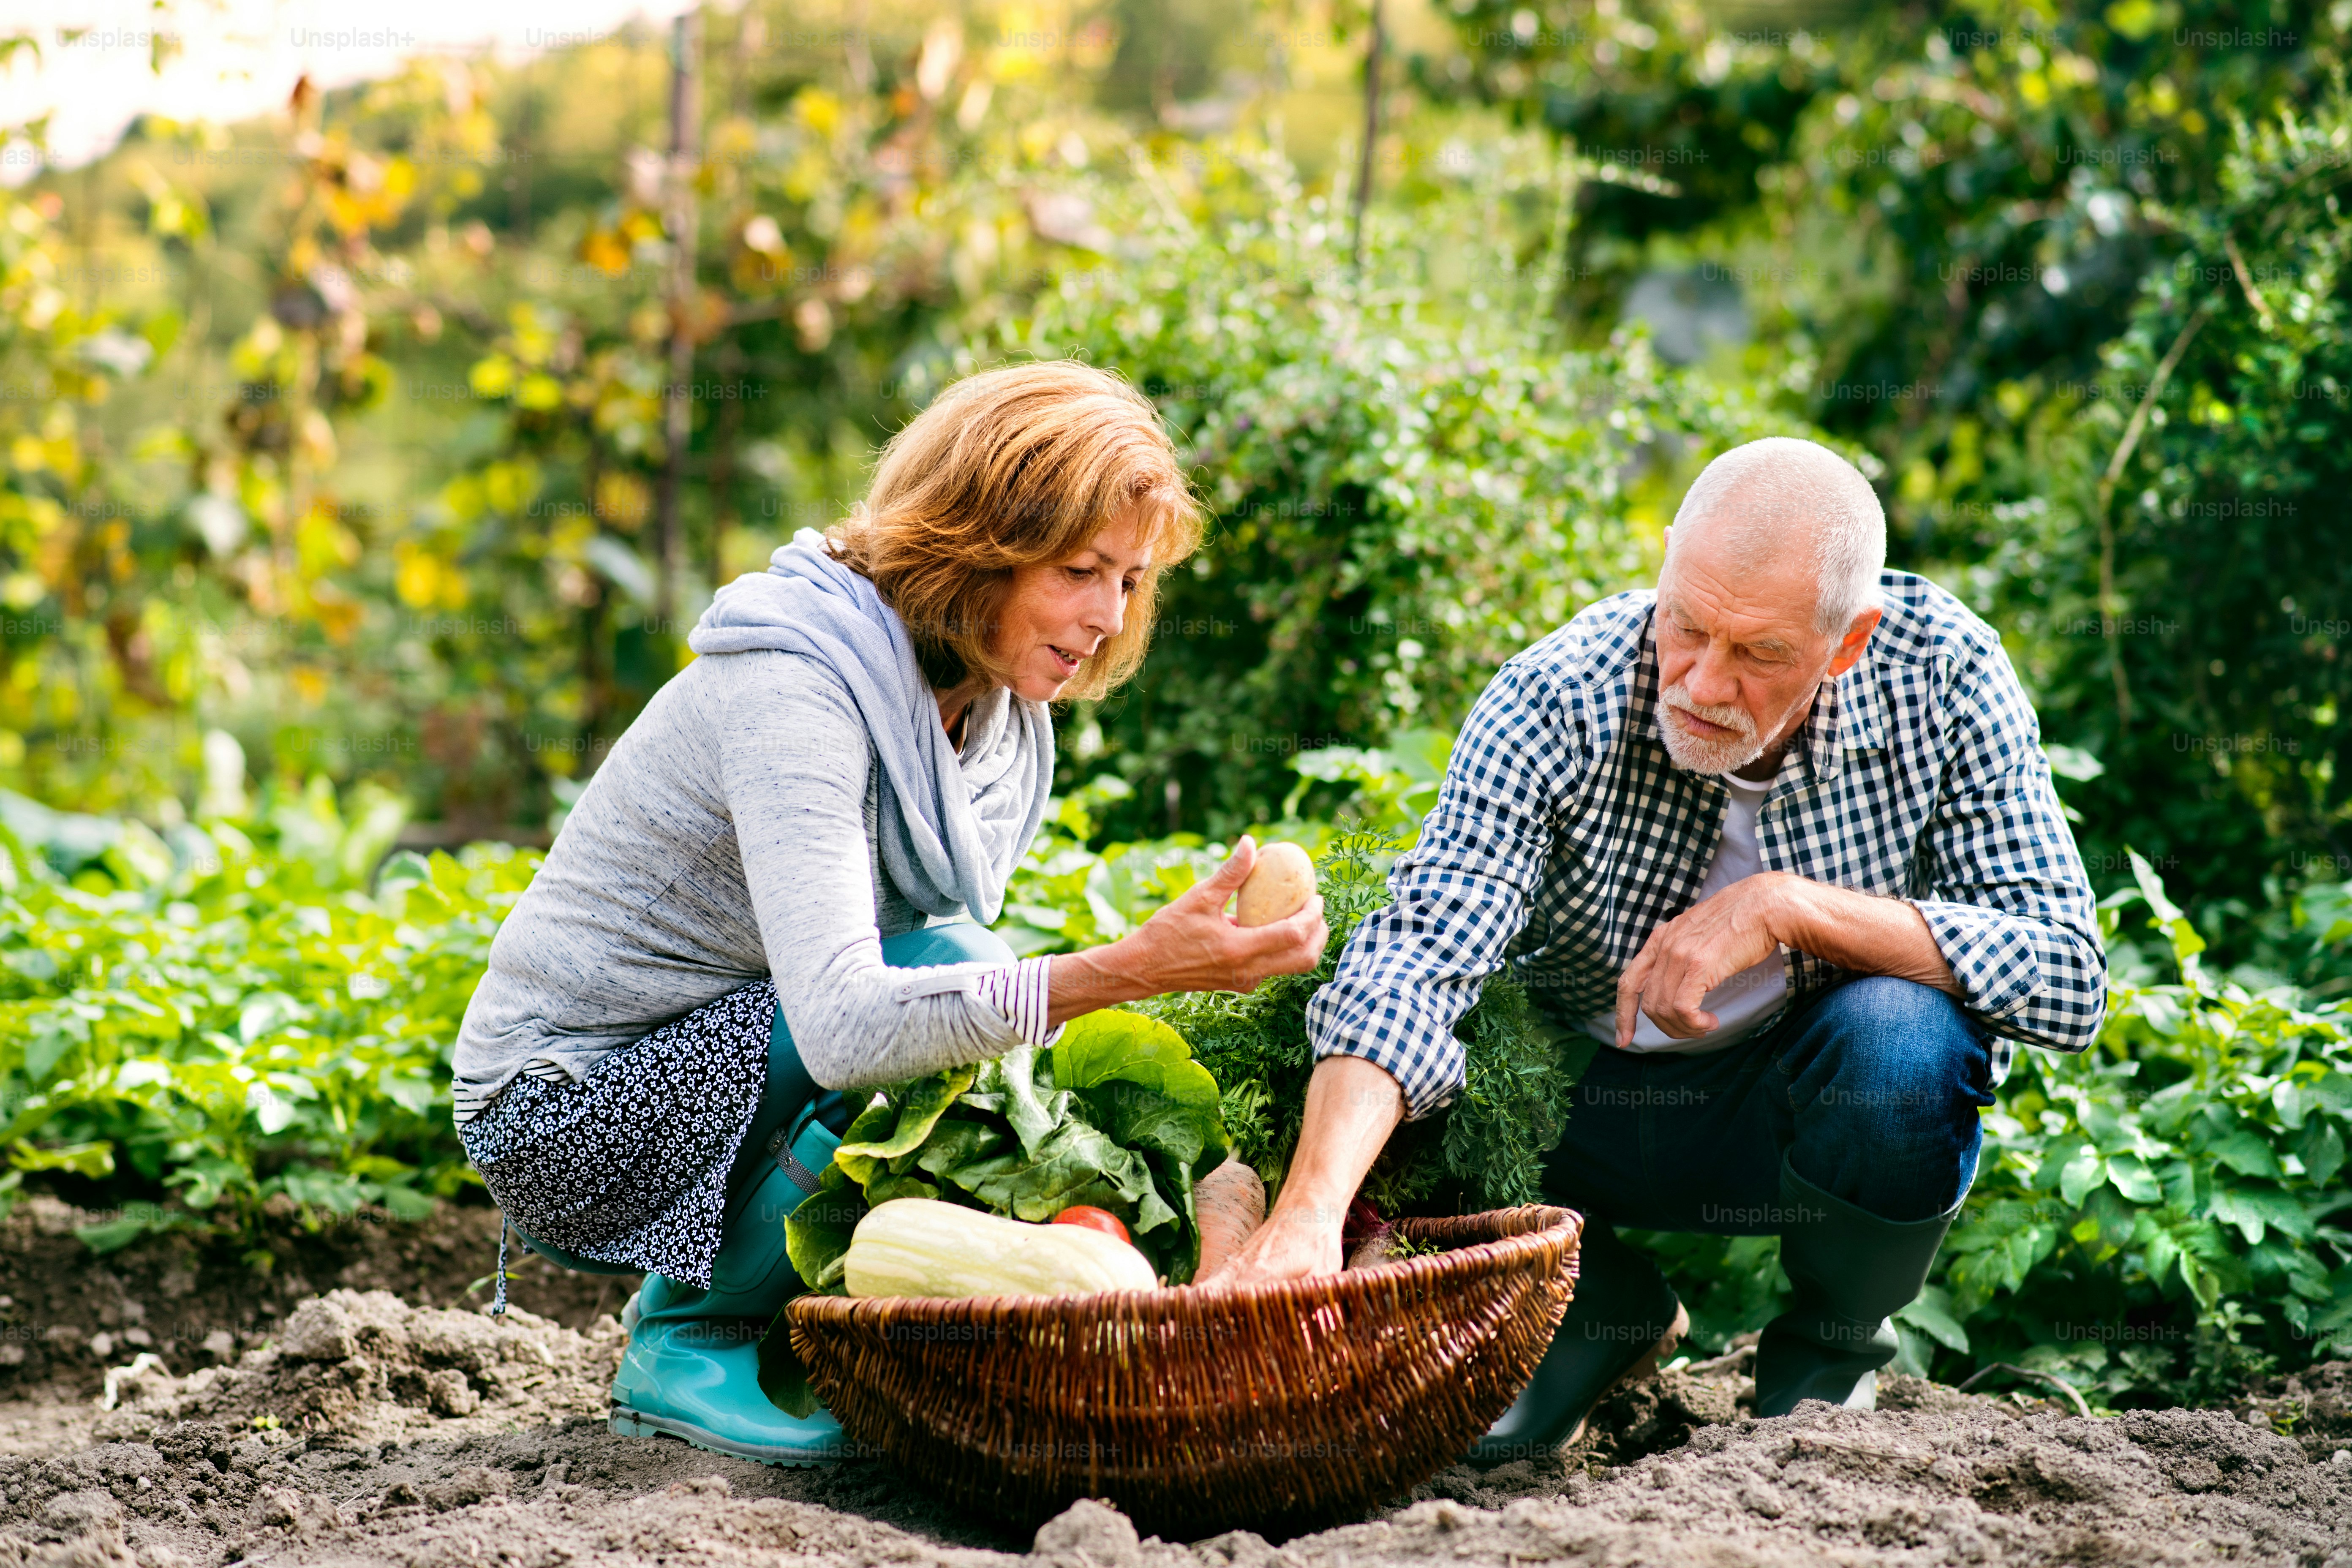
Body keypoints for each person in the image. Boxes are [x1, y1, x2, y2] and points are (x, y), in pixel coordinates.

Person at [450, 361, 1328, 1464]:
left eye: (1131, 581)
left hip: (723, 1072)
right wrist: (1133, 968)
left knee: (970, 992)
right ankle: (685, 1334)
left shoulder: (999, 718)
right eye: (1079, 571)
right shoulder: (796, 683)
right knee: (957, 970)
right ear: (978, 548)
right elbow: (850, 1027)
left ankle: (782, 1323)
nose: (1109, 618)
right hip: (568, 1121)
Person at [1205, 437, 2104, 1450]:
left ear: (1846, 642)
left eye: (1759, 653)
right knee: (1395, 1067)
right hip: (1572, 1115)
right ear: (1668, 560)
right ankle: (1593, 1307)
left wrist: (1782, 906)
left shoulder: (1941, 673)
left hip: (1793, 1113)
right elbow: (1417, 957)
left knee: (1905, 1033)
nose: (1703, 683)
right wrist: (1310, 1215)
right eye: (1686, 625)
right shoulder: (1561, 695)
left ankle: (1826, 1357)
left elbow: (2066, 971)